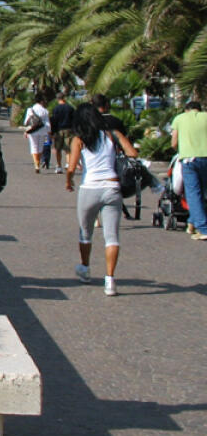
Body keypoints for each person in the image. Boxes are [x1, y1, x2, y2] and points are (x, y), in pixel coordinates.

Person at [65, 103, 139, 296]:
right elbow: (133, 153)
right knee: (112, 237)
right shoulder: (112, 134)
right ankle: (110, 280)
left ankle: (85, 268)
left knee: (85, 233)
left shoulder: (78, 139)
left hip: (89, 188)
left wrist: (68, 182)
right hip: (112, 187)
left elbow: (71, 168)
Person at [171, 99, 207, 242]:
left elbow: (174, 143)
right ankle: (192, 222)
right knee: (204, 192)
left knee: (193, 193)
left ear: (186, 110)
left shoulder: (179, 119)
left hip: (189, 160)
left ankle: (203, 228)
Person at [23, 92, 50, 173]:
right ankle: (38, 162)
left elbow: (26, 122)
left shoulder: (30, 110)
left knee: (34, 147)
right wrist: (49, 132)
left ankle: (36, 165)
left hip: (33, 130)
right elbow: (47, 123)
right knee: (40, 147)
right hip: (42, 130)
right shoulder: (45, 110)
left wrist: (26, 131)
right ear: (41, 101)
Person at [50, 92, 74, 174]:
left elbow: (53, 121)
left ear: (57, 99)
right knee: (68, 149)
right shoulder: (70, 108)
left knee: (58, 149)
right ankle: (67, 164)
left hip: (58, 130)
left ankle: (59, 166)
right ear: (64, 98)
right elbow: (74, 120)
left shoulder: (55, 109)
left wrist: (52, 132)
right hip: (69, 129)